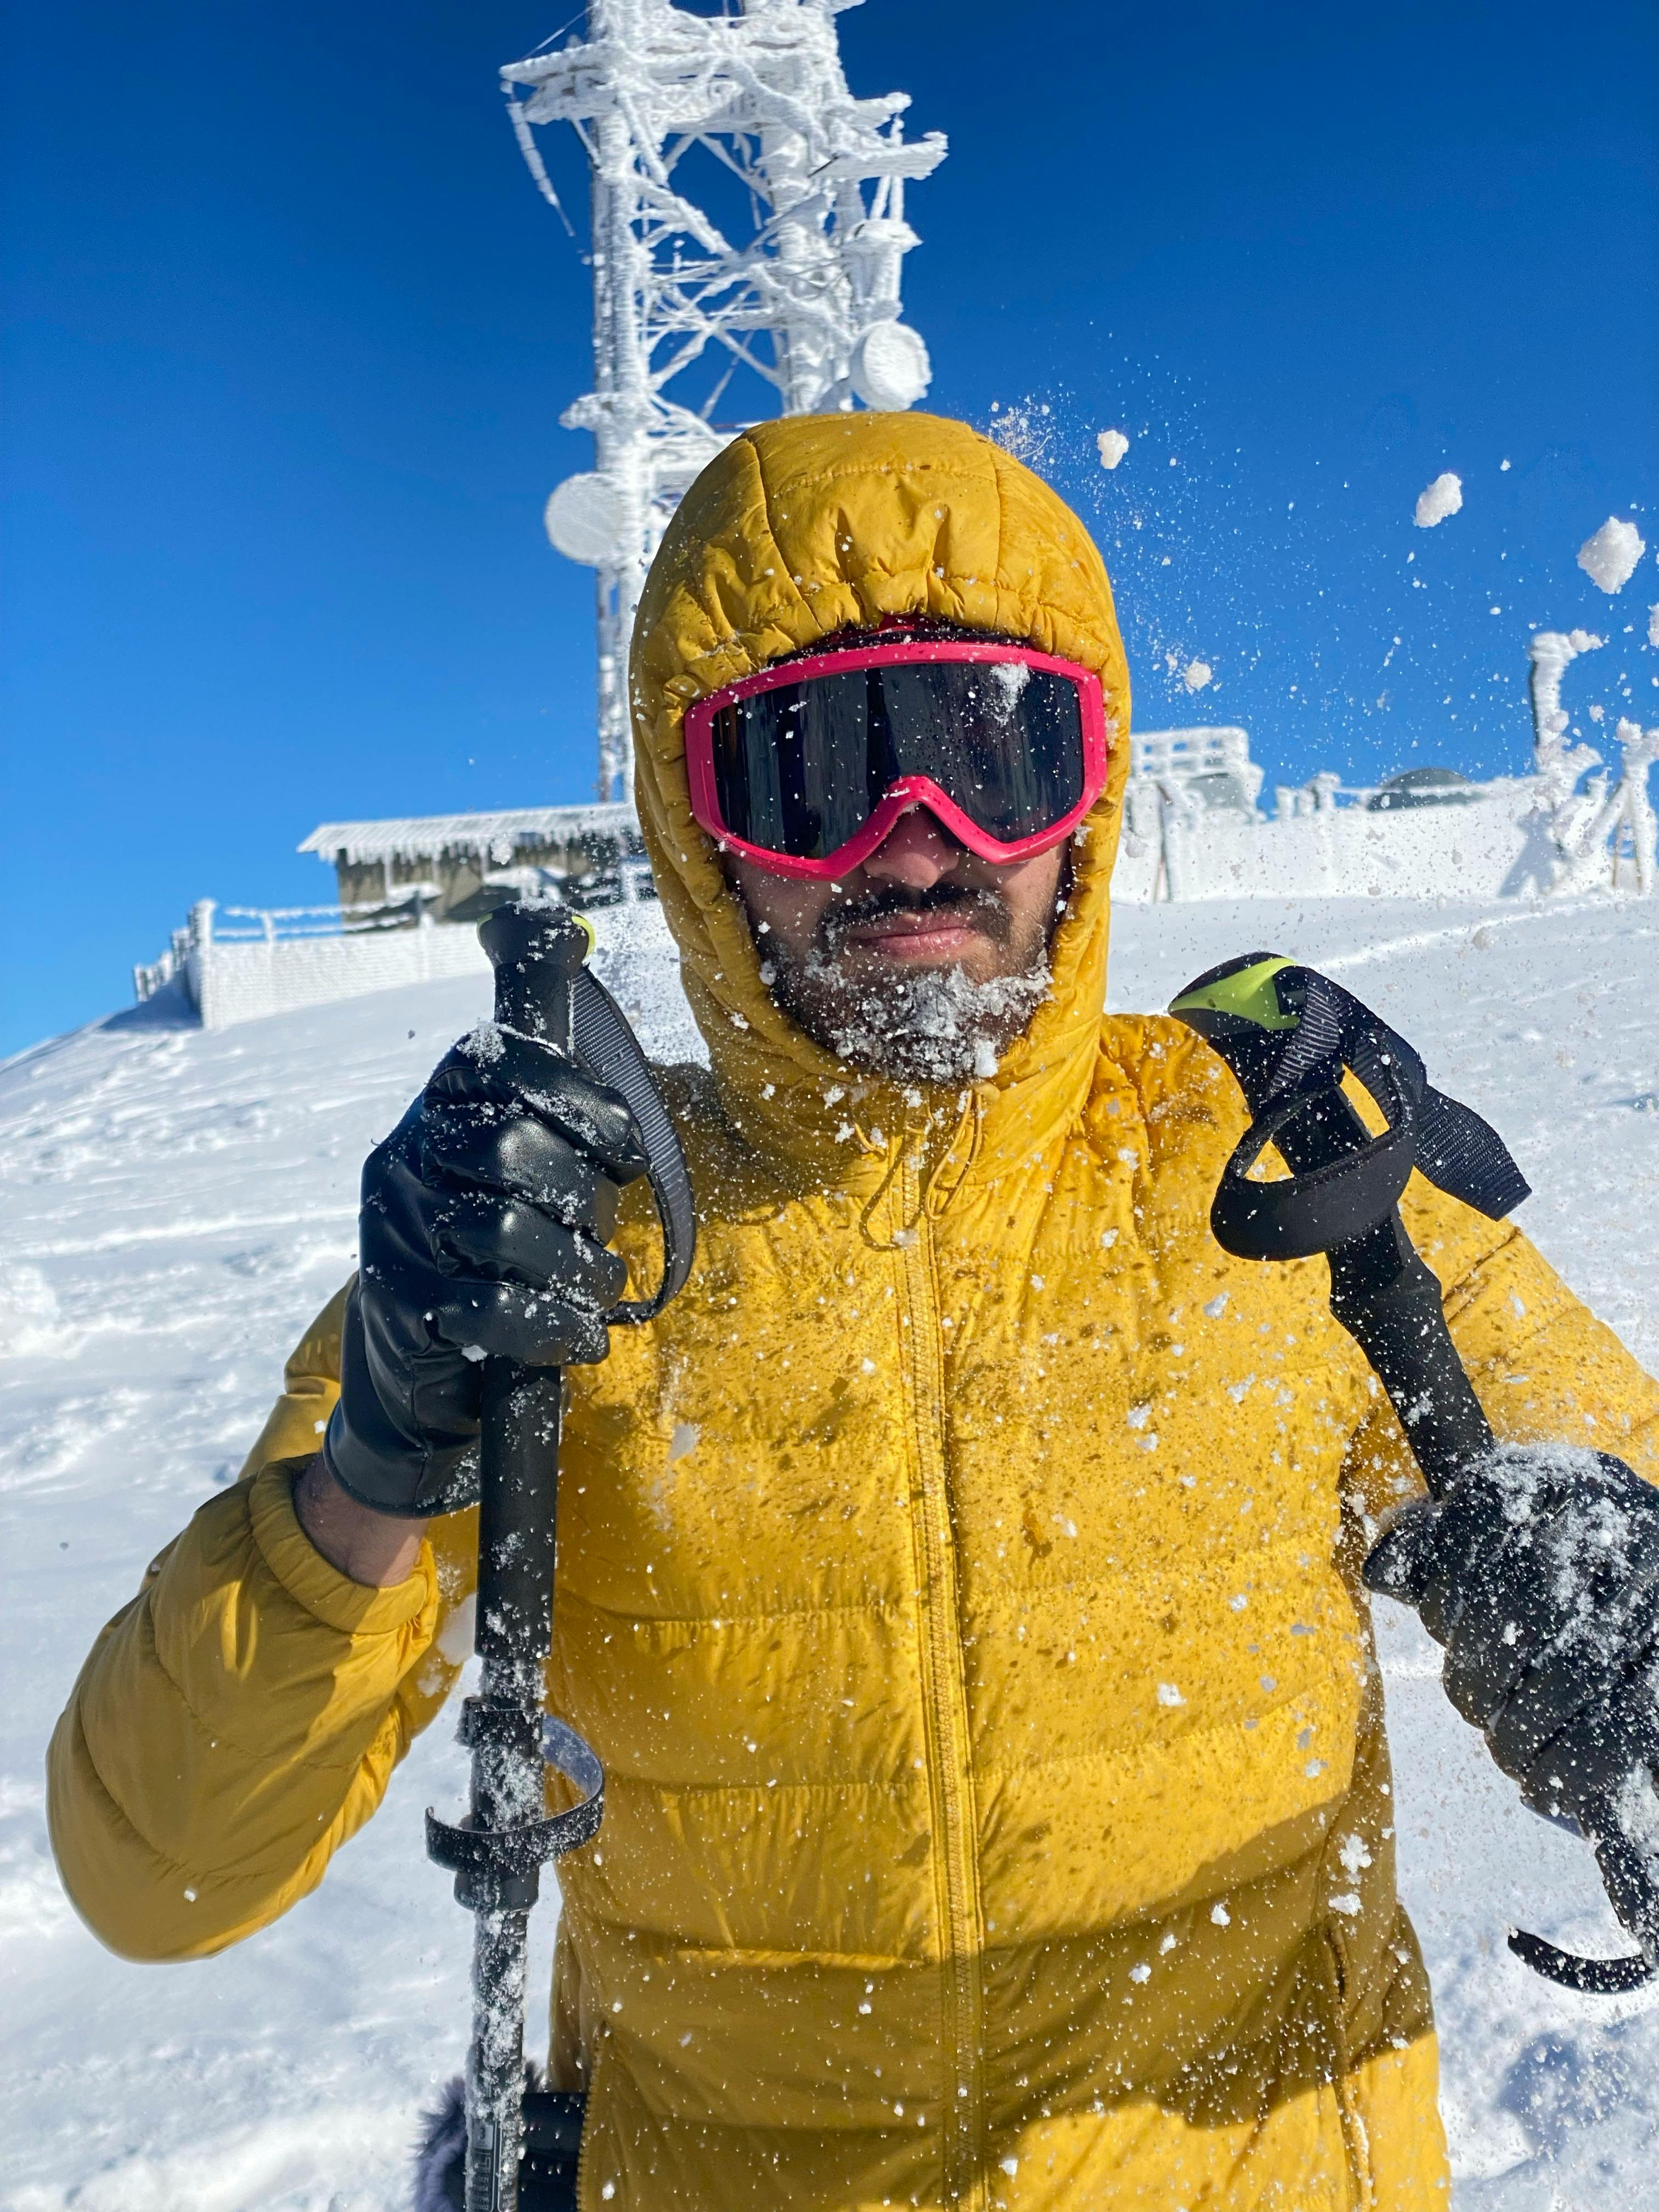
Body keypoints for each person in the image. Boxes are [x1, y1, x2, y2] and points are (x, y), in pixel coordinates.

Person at [48, 412, 1659, 2211]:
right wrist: (379, 1456)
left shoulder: (1280, 1170)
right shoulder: (551, 1237)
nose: (915, 846)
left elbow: (1624, 1491)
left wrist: (1617, 1610)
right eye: (815, 771)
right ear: (699, 826)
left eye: (997, 753)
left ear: (1093, 795)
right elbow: (161, 1866)